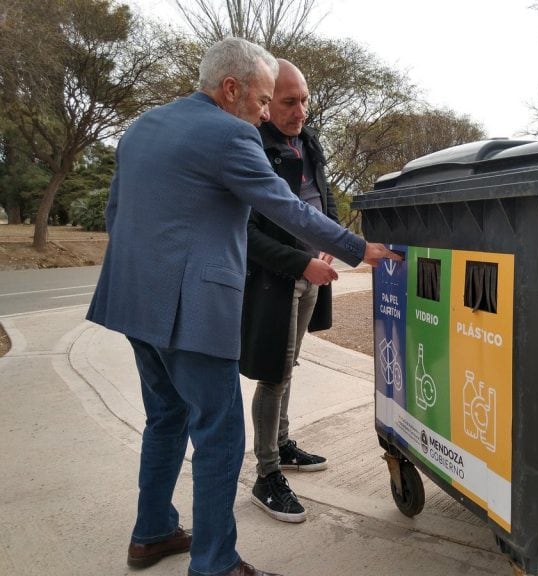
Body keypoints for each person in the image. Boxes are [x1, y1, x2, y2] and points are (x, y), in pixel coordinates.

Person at [86, 37, 399, 576]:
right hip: (189, 310)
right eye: (260, 101)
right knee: (221, 432)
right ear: (230, 90)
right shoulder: (230, 133)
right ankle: (215, 563)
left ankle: (153, 532)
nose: (261, 115)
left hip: (133, 300)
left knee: (167, 416)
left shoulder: (142, 126)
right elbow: (284, 207)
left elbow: (117, 212)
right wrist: (356, 247)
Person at [240, 59, 335, 523]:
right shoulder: (250, 146)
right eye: (288, 102)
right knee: (272, 374)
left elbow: (323, 195)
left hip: (313, 272)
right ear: (265, 103)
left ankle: (281, 442)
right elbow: (246, 233)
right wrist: (302, 261)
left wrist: (331, 239)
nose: (300, 112)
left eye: (305, 101)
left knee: (288, 368)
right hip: (274, 280)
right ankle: (266, 474)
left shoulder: (308, 140)